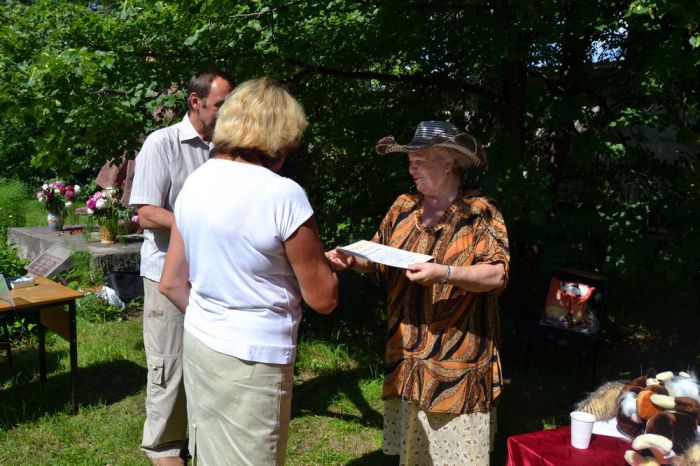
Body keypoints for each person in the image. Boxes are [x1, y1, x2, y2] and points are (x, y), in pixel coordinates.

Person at [158, 77, 339, 465]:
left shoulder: (196, 181)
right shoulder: (282, 193)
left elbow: (171, 282)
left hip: (201, 343)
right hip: (254, 358)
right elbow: (324, 298)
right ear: (279, 136)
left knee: (208, 455)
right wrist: (330, 267)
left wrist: (218, 314)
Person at [326, 121, 510, 465]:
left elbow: (497, 274)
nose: (411, 168)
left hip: (456, 357)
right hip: (408, 349)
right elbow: (379, 256)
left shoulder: (480, 211)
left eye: (420, 160)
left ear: (449, 162)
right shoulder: (403, 206)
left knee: (455, 454)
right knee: (415, 451)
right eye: (410, 161)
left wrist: (445, 273)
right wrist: (354, 260)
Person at [129, 69, 234, 465]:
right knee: (168, 365)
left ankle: (203, 437)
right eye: (221, 104)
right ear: (196, 101)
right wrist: (194, 223)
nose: (228, 112)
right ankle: (164, 448)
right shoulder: (163, 143)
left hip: (213, 272)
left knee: (210, 359)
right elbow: (146, 213)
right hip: (165, 274)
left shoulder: (228, 148)